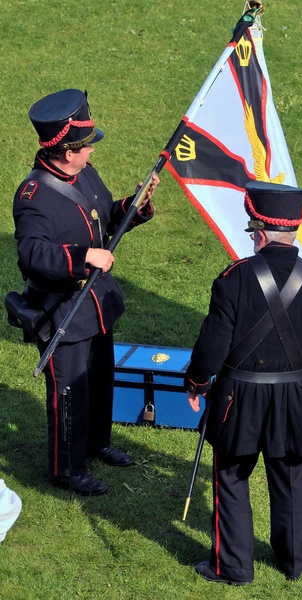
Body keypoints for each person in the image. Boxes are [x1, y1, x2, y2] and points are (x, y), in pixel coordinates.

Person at [184, 181, 302, 584]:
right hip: (295, 397)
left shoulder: (234, 279)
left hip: (238, 398)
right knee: (290, 476)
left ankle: (232, 566)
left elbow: (211, 347)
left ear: (259, 232)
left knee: (230, 476)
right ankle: (296, 561)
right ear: (294, 229)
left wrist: (196, 380)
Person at [12, 89, 159, 496]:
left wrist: (137, 204)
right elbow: (31, 254)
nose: (91, 154)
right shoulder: (33, 197)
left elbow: (104, 216)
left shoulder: (83, 174)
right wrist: (83, 256)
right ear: (65, 151)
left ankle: (97, 445)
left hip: (95, 302)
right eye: (85, 148)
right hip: (62, 308)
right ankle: (67, 469)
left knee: (99, 379)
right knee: (70, 391)